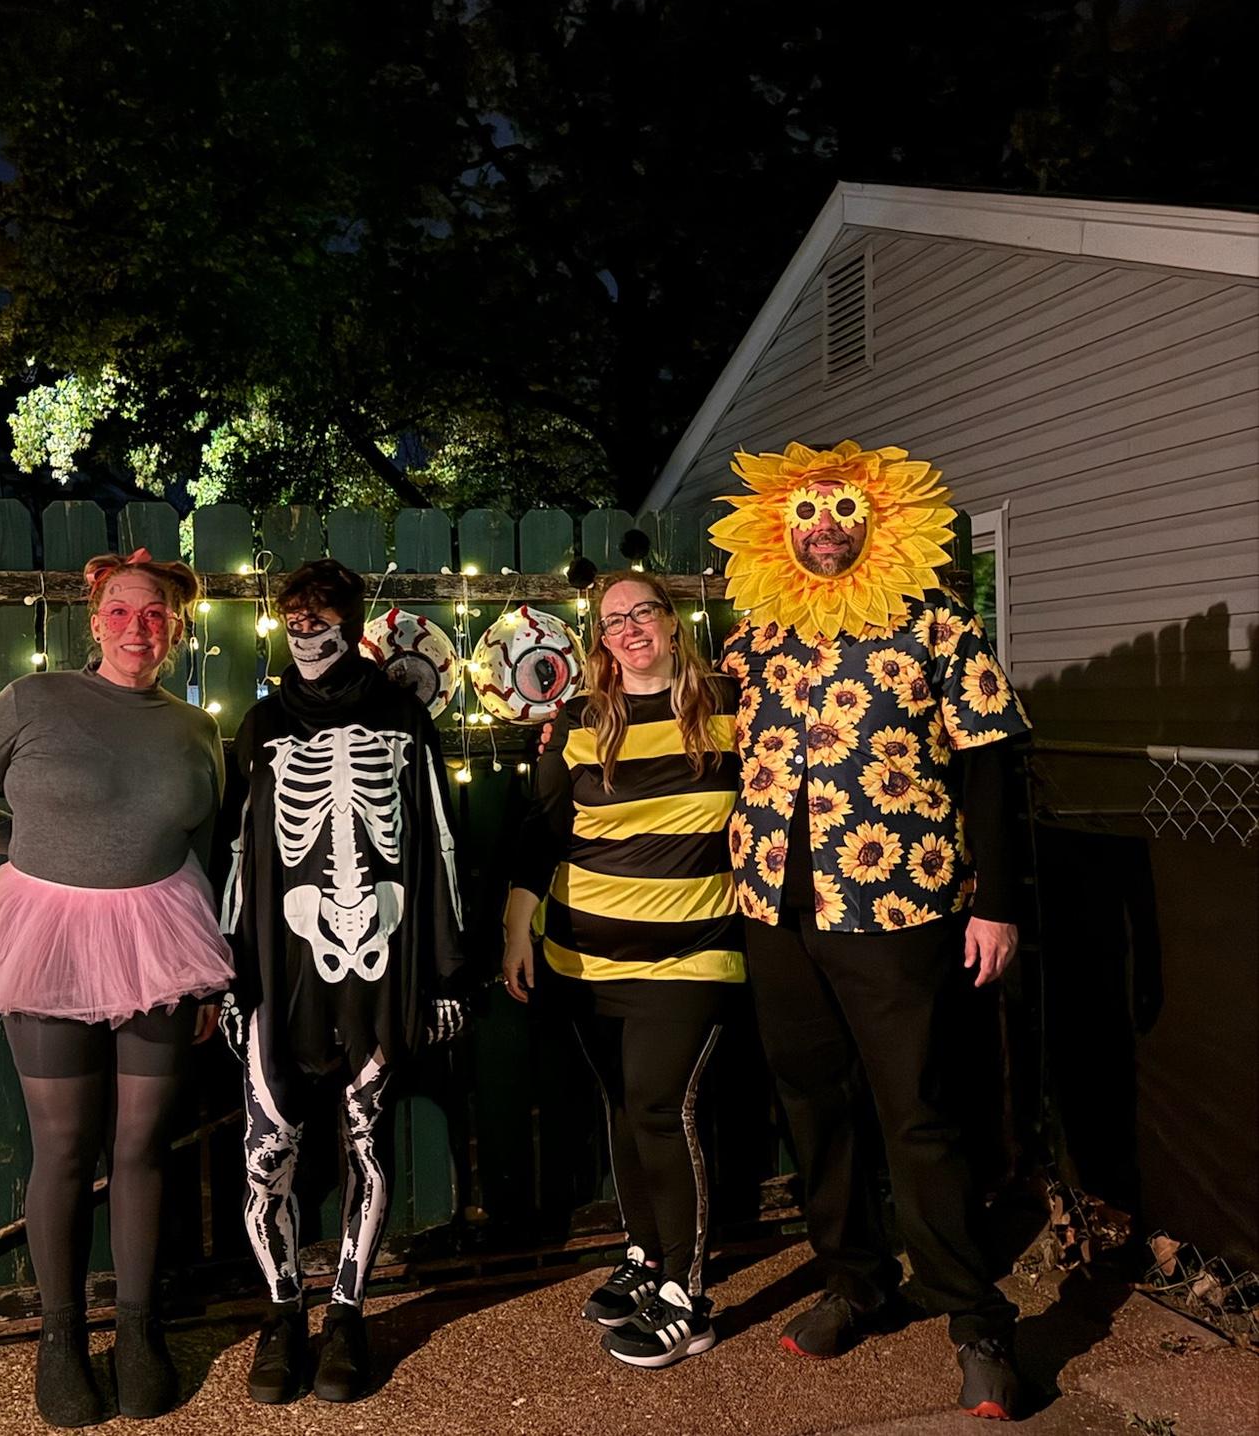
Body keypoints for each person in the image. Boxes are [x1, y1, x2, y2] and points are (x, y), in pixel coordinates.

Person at [711, 440, 1032, 1421]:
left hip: (896, 907)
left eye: (845, 510)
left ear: (882, 520)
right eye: (807, 512)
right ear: (777, 526)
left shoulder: (935, 624)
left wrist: (998, 903)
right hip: (776, 909)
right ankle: (856, 1281)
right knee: (813, 1104)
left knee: (917, 1111)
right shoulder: (754, 637)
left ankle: (975, 1318)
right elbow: (699, 736)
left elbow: (992, 763)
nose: (824, 528)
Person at [0, 547, 234, 1426]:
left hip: (163, 939)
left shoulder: (194, 728)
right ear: (95, 622)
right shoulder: (35, 699)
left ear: (177, 629)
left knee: (142, 1143)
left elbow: (202, 845)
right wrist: (37, 855)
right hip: (48, 936)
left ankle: (137, 1333)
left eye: (156, 613)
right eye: (122, 611)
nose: (138, 627)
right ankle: (59, 1340)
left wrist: (212, 976)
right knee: (62, 1145)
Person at [217, 557, 467, 1405]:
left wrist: (446, 974)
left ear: (351, 624)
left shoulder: (402, 716)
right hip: (281, 965)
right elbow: (238, 852)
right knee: (267, 1151)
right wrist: (229, 975)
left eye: (320, 618)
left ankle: (348, 1314)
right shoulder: (261, 723)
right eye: (293, 618)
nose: (305, 632)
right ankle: (284, 1311)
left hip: (382, 961)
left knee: (366, 1136)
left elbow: (439, 841)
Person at [503, 571, 745, 1369]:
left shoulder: (730, 706)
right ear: (601, 640)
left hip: (694, 950)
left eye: (643, 611)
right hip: (585, 954)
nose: (630, 628)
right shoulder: (581, 720)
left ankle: (686, 1295)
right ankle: (646, 1253)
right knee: (623, 1104)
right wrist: (516, 928)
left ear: (672, 622)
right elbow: (542, 830)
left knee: (661, 1106)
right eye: (613, 621)